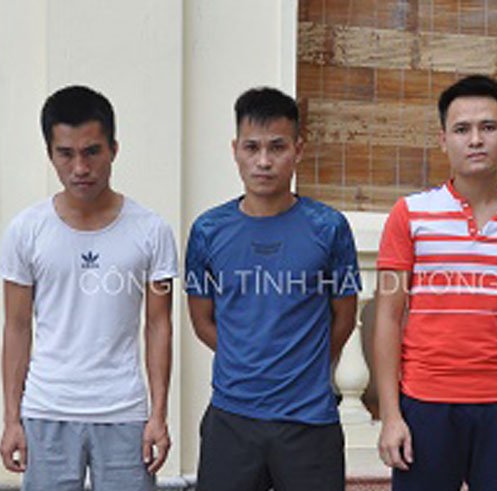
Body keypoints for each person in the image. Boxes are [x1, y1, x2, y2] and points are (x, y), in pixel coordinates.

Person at [375, 74, 497, 491]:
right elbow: (388, 317)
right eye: (462, 129)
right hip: (425, 405)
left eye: (488, 127)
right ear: (443, 140)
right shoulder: (410, 215)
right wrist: (391, 416)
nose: (475, 140)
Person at [0, 85, 178, 491]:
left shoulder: (151, 231)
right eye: (66, 154)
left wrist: (158, 415)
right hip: (47, 409)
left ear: (114, 149)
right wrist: (11, 419)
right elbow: (16, 327)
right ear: (50, 154)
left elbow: (158, 326)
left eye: (92, 151)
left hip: (125, 411)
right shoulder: (26, 230)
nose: (80, 167)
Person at [185, 86, 361, 491]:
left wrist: (305, 363)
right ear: (235, 150)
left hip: (309, 420)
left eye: (277, 147)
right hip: (231, 417)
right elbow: (202, 320)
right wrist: (246, 357)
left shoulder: (329, 228)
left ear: (298, 150)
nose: (263, 161)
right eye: (252, 147)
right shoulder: (208, 230)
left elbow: (345, 316)